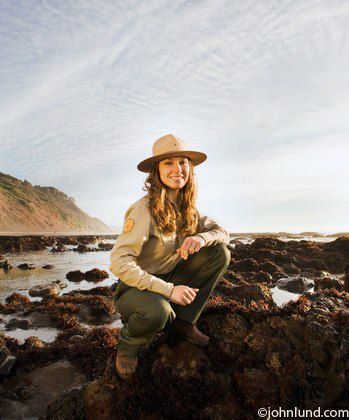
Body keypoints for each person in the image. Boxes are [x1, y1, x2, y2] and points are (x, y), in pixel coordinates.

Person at [109, 134, 230, 380]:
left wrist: (201, 238)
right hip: (136, 289)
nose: (177, 169)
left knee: (219, 253)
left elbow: (223, 233)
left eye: (183, 162)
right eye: (168, 163)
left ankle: (184, 323)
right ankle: (128, 346)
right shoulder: (142, 210)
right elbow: (119, 262)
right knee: (158, 312)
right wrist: (168, 290)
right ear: (156, 171)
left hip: (170, 280)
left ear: (190, 168)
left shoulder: (189, 209)